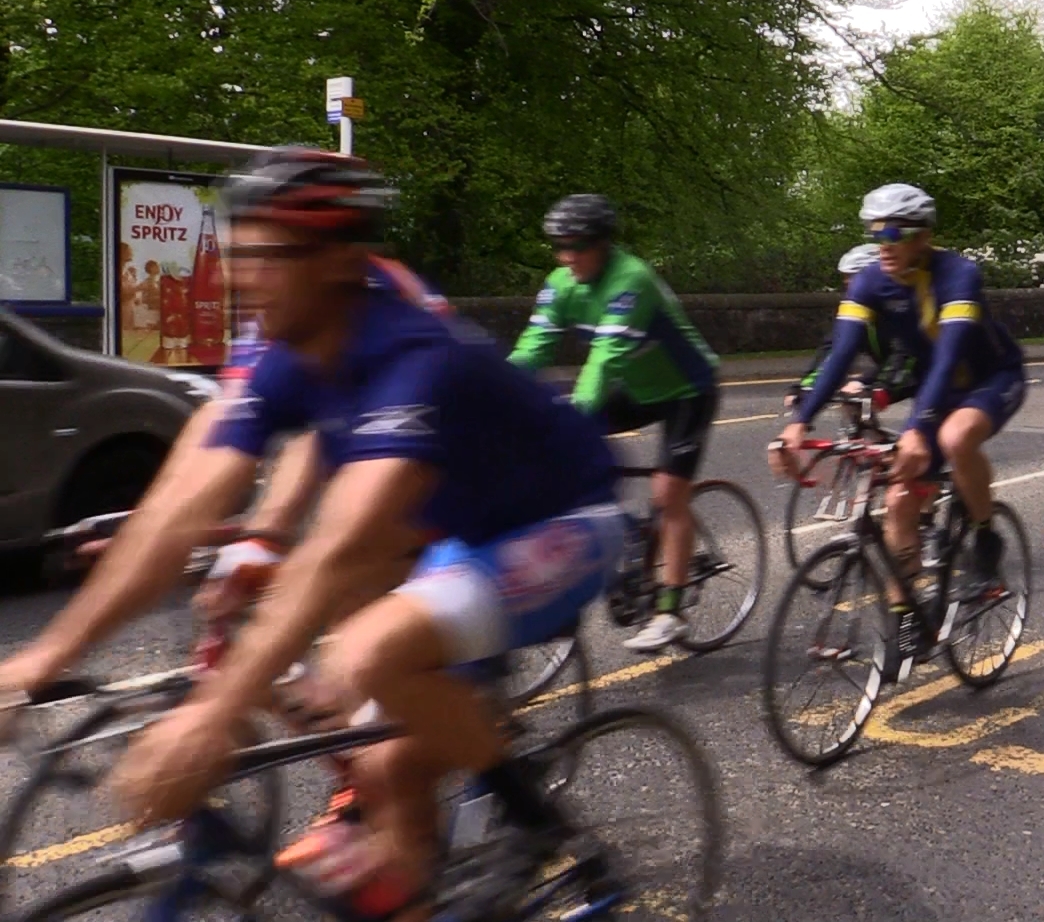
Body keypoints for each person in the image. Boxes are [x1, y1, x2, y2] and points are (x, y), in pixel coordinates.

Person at [0, 147, 622, 918]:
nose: (237, 275)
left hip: (567, 520)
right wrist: (41, 659)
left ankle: (539, 826)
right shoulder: (291, 350)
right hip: (449, 536)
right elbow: (176, 505)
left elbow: (339, 547)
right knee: (384, 773)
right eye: (235, 252)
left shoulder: (413, 358)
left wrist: (210, 721)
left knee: (367, 652)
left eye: (266, 256)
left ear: (338, 260)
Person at [769, 184, 1026, 681]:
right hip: (937, 391)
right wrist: (799, 423)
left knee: (954, 438)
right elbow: (840, 353)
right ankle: (910, 625)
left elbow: (950, 355)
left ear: (924, 236)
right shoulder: (870, 282)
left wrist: (916, 429)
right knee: (902, 504)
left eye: (894, 233)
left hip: (989, 380)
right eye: (874, 232)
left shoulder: (958, 275)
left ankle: (985, 538)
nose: (882, 242)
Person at [509, 194, 720, 654]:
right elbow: (533, 349)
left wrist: (571, 419)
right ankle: (624, 534)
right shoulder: (561, 283)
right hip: (641, 390)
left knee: (668, 495)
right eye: (560, 248)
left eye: (578, 247)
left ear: (603, 244)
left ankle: (670, 610)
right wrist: (493, 393)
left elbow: (602, 365)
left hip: (688, 390)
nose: (568, 258)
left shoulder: (631, 280)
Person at [788, 243, 918, 414]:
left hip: (936, 374)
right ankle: (868, 439)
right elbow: (835, 347)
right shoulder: (857, 309)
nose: (847, 282)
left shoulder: (903, 306)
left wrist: (877, 385)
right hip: (898, 371)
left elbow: (906, 354)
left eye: (853, 276)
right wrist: (807, 384)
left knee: (933, 435)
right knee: (854, 403)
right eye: (845, 277)